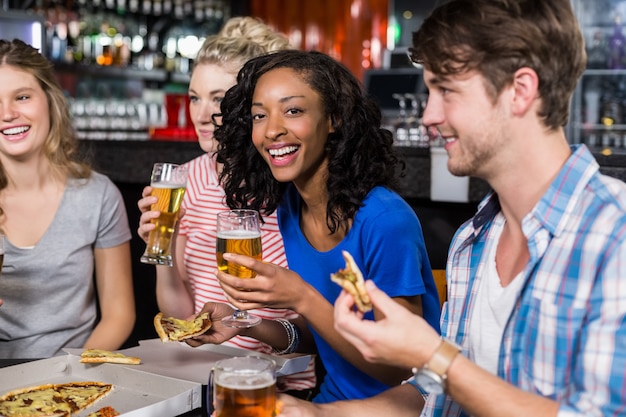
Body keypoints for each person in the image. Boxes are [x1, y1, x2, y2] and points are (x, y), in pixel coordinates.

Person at [275, 0, 626, 416]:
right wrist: (319, 414)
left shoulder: (612, 237)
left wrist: (433, 354)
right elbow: (434, 392)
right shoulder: (473, 241)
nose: (428, 115)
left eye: (446, 91)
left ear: (521, 90)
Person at [193, 49, 440, 404]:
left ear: (334, 119)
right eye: (259, 116)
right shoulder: (291, 208)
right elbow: (327, 331)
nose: (273, 130)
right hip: (329, 403)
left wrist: (301, 297)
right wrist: (243, 323)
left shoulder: (385, 221)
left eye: (293, 110)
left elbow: (399, 367)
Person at [136, 17, 317, 395]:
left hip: (282, 382)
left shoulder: (291, 179)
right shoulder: (182, 180)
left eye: (218, 98)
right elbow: (181, 319)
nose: (201, 114)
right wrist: (162, 249)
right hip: (203, 377)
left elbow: (313, 326)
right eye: (194, 98)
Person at [0, 39, 135, 358]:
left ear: (50, 100)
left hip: (73, 374)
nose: (7, 114)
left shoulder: (97, 195)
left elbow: (119, 314)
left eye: (22, 97)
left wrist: (69, 379)